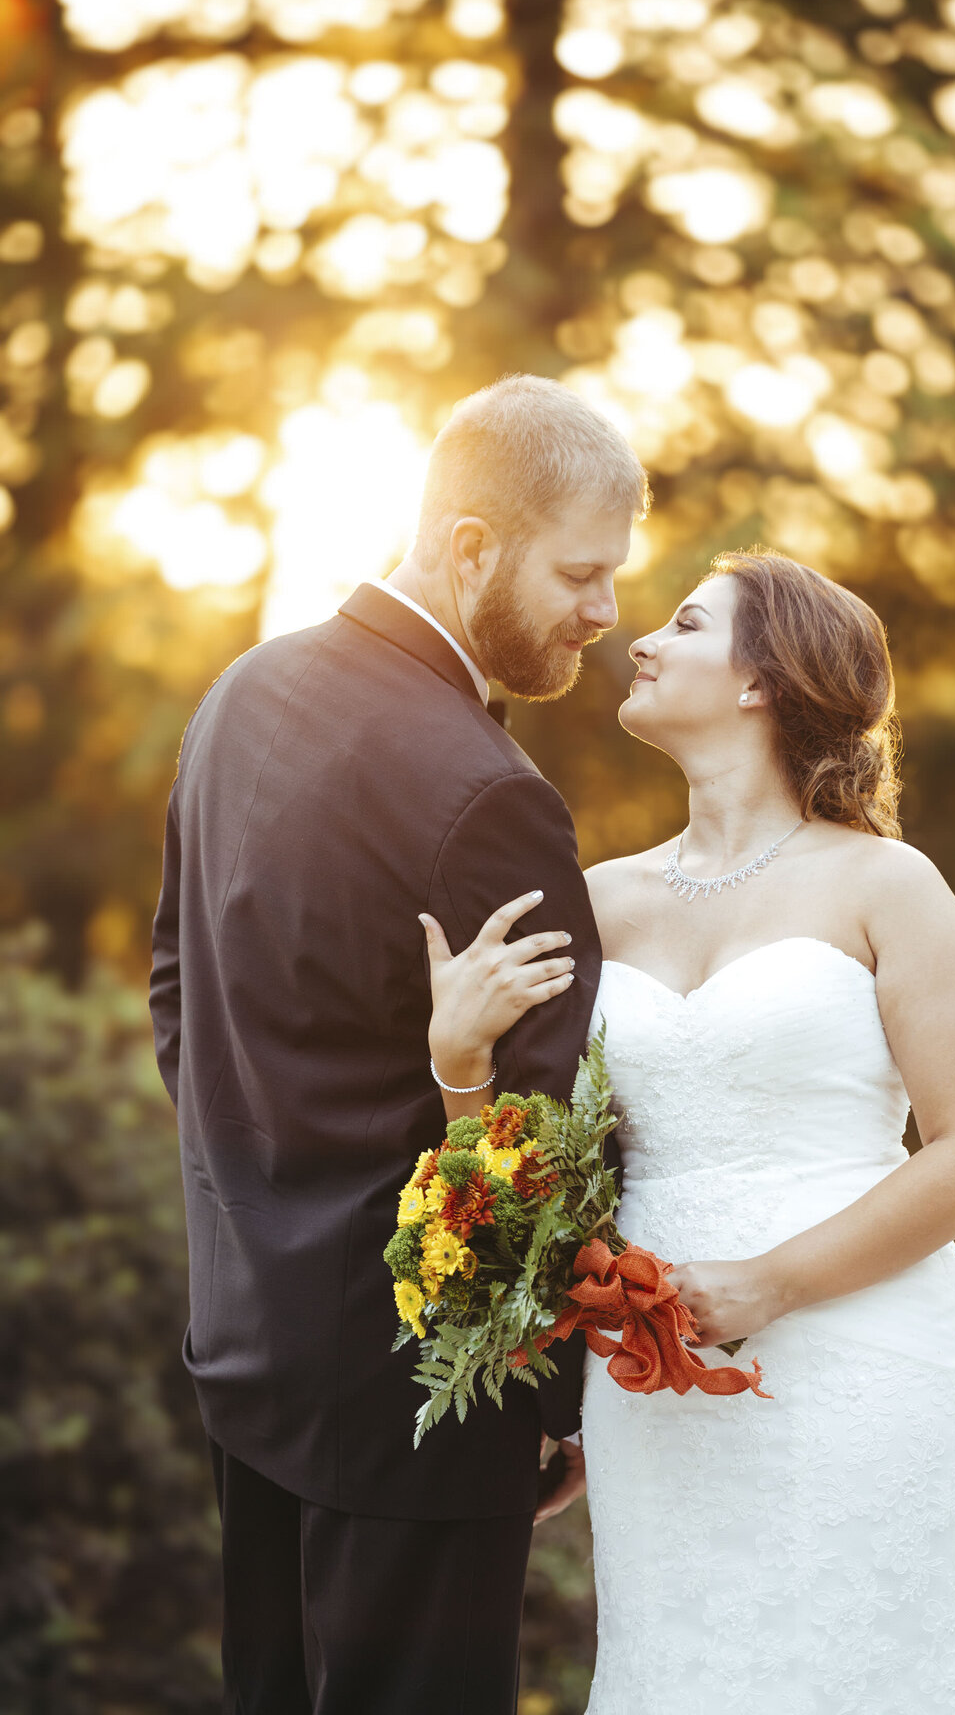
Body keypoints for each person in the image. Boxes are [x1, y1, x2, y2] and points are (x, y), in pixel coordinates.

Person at [422, 548, 955, 1713]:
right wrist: (459, 1067)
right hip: (653, 1378)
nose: (638, 640)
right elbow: (542, 1170)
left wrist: (772, 1285)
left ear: (763, 680)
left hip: (857, 1352)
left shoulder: (888, 887)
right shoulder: (595, 901)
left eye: (685, 623)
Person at [148, 373, 647, 1714]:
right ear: (472, 546)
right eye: (582, 572)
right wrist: (546, 1400)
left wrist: (257, 1212)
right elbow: (531, 1146)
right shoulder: (488, 793)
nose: (606, 614)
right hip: (414, 1414)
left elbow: (174, 993)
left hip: (248, 1353)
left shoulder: (240, 696)